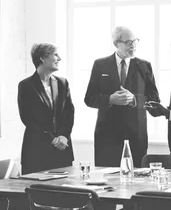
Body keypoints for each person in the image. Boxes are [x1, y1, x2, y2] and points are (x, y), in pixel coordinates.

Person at [84, 26, 160, 168]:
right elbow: (89, 98)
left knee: (138, 181)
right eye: (128, 42)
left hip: (136, 136)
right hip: (107, 136)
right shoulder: (100, 65)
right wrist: (109, 99)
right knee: (107, 183)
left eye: (135, 41)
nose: (133, 45)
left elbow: (154, 98)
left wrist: (134, 99)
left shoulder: (144, 66)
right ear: (116, 44)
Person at [18, 43, 74, 174]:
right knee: (36, 191)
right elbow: (28, 118)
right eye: (55, 55)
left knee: (63, 191)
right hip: (36, 151)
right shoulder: (25, 85)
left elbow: (69, 112)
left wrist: (64, 136)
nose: (59, 58)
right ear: (42, 58)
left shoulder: (62, 83)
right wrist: (52, 139)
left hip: (62, 149)